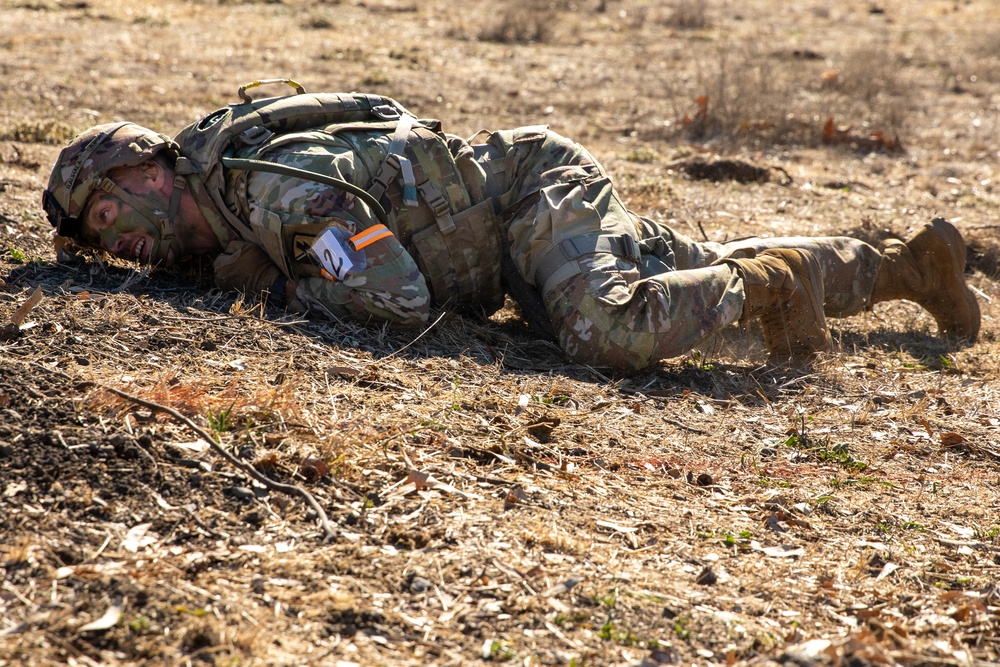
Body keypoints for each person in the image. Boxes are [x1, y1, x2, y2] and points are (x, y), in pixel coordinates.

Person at [42, 79, 980, 372]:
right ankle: (907, 268)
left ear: (144, 164)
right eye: (96, 236)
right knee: (683, 276)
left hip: (526, 197)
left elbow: (399, 296)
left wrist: (281, 286)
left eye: (111, 209)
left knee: (606, 329)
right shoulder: (226, 180)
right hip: (501, 240)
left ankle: (771, 286)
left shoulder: (267, 193)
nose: (116, 239)